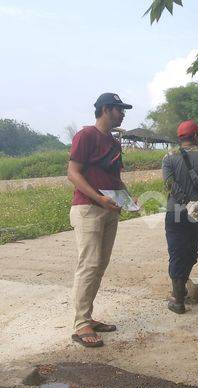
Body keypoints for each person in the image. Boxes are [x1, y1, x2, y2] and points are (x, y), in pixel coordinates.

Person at [67, 92, 132, 347]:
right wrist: (99, 198)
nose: (123, 113)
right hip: (88, 209)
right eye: (119, 109)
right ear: (105, 109)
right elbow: (73, 173)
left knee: (99, 265)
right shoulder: (86, 135)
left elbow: (115, 179)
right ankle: (81, 323)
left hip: (108, 210)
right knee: (89, 264)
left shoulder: (114, 143)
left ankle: (88, 317)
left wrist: (127, 198)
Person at [162, 120, 198, 314]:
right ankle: (180, 290)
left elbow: (169, 183)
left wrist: (186, 202)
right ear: (196, 136)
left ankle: (178, 298)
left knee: (176, 251)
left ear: (180, 138)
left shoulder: (169, 158)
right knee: (191, 248)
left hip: (176, 212)